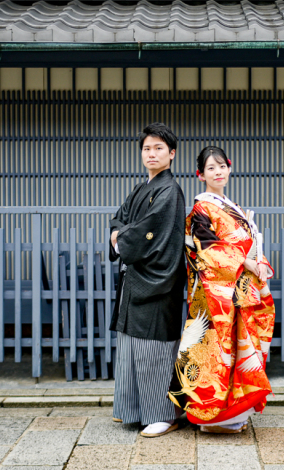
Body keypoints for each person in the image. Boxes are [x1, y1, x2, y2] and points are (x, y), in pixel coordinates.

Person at [169, 146, 275, 433]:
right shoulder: (201, 208)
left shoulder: (234, 207)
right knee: (215, 354)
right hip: (214, 295)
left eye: (221, 166)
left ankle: (234, 414)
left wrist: (260, 263)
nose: (217, 172)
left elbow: (252, 244)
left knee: (238, 353)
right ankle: (211, 418)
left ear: (230, 168)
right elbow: (207, 249)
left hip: (237, 291)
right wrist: (247, 263)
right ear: (200, 175)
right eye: (210, 168)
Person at [109, 122, 187, 438]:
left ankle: (162, 414)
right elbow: (119, 218)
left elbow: (147, 233)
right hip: (138, 280)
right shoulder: (142, 188)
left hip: (156, 282)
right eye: (146, 148)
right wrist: (121, 234)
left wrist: (121, 238)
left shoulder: (170, 191)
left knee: (153, 352)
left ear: (171, 153)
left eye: (158, 148)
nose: (151, 153)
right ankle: (135, 410)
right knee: (132, 351)